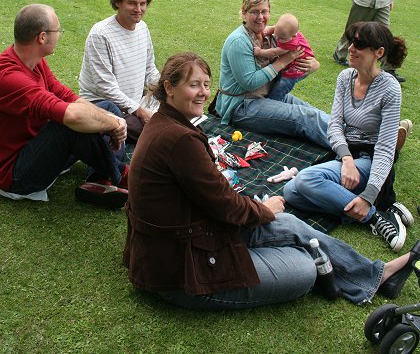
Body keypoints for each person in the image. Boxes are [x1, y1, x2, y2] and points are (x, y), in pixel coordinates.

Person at [123, 51, 419, 309]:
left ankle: (377, 275)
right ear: (169, 88)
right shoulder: (178, 139)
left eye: (206, 85)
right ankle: (336, 271)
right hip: (179, 271)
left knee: (289, 225)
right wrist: (265, 211)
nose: (203, 92)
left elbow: (215, 197)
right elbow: (226, 206)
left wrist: (264, 213)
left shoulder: (167, 124)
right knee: (304, 269)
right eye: (193, 85)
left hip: (195, 234)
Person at [284, 22, 413, 252]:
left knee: (306, 181)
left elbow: (385, 148)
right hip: (348, 157)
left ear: (379, 53)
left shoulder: (390, 89)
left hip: (370, 158)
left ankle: (374, 216)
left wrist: (369, 195)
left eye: (360, 45)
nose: (351, 48)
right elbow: (335, 126)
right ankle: (377, 209)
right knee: (291, 193)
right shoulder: (345, 77)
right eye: (351, 41)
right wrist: (346, 159)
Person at [0, 4, 128, 207]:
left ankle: (99, 180)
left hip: (42, 148)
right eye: (57, 30)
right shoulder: (9, 77)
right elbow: (71, 115)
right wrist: (112, 125)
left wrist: (113, 118)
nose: (59, 34)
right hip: (16, 176)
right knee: (70, 124)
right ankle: (122, 175)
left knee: (107, 107)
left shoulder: (34, 60)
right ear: (42, 37)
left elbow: (64, 94)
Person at [214, 0, 329, 145]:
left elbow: (300, 48)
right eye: (254, 12)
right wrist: (283, 61)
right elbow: (249, 83)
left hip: (268, 94)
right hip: (242, 104)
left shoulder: (275, 33)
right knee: (303, 117)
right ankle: (348, 149)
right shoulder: (238, 41)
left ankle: (356, 136)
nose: (260, 17)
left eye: (264, 11)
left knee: (314, 113)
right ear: (243, 14)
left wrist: (314, 65)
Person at [79, 0, 160, 148]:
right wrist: (139, 111)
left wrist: (166, 91)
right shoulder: (100, 34)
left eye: (143, 4)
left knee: (174, 118)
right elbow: (105, 87)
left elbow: (149, 69)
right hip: (103, 104)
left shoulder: (143, 28)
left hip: (134, 101)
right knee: (155, 132)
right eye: (132, 3)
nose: (138, 9)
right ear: (118, 3)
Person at [253, 13, 315, 101]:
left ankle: (273, 101)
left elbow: (274, 52)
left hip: (297, 69)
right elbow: (275, 28)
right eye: (276, 34)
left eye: (282, 38)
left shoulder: (291, 43)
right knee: (276, 78)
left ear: (293, 36)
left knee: (283, 85)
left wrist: (260, 52)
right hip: (290, 64)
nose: (277, 39)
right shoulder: (286, 32)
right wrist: (270, 30)